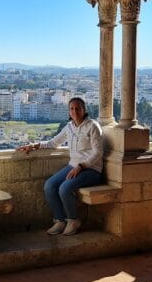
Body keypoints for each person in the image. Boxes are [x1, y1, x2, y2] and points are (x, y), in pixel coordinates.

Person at [18, 97, 104, 235]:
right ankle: (59, 220)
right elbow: (53, 143)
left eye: (78, 108)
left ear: (84, 110)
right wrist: (34, 146)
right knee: (50, 185)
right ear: (69, 111)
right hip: (73, 166)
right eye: (72, 109)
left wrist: (81, 166)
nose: (75, 111)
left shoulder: (92, 126)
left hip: (91, 169)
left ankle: (73, 220)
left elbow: (98, 152)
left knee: (64, 188)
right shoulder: (69, 127)